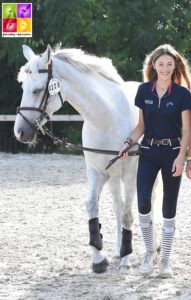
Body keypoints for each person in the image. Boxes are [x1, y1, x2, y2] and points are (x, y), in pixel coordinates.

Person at [119, 44, 191, 278]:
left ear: (175, 66)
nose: (165, 68)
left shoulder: (182, 94)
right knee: (142, 203)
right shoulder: (144, 91)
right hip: (148, 152)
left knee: (168, 207)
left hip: (172, 152)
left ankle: (166, 261)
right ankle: (150, 252)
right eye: (161, 64)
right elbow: (141, 126)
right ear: (153, 65)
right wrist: (127, 143)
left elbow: (188, 130)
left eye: (170, 64)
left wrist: (182, 157)